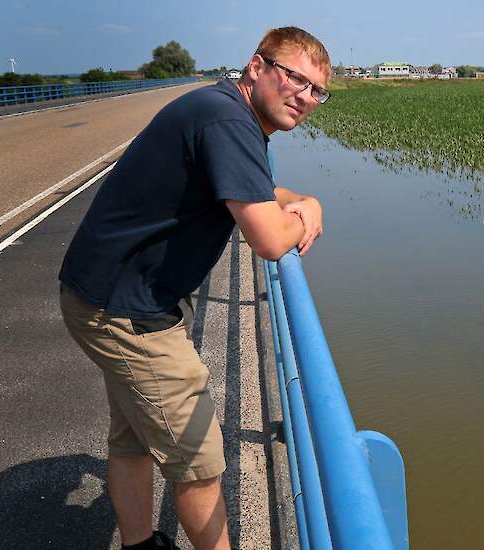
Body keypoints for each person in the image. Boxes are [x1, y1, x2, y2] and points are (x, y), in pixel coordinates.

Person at [58, 27, 331, 550]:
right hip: (125, 311)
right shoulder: (229, 119)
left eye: (318, 90)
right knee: (199, 462)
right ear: (257, 67)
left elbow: (250, 183)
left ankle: (141, 544)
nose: (306, 97)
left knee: (133, 438)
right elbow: (271, 241)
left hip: (110, 292)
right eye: (296, 79)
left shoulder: (223, 109)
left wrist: (300, 196)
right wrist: (308, 215)